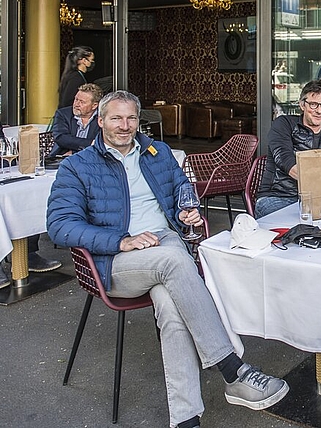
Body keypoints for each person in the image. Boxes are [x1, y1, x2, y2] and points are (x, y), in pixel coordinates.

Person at [46, 91, 289, 428]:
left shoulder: (157, 152)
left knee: (172, 307)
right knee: (176, 263)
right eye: (116, 118)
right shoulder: (78, 166)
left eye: (131, 118)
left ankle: (185, 419)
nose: (124, 125)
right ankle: (233, 369)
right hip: (116, 260)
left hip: (166, 243)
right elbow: (60, 226)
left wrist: (186, 210)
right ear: (100, 121)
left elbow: (180, 190)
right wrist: (122, 240)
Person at [255, 79, 321, 218]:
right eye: (313, 105)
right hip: (279, 198)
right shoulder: (284, 125)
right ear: (302, 105)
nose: (319, 110)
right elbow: (288, 163)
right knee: (313, 222)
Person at [49, 83, 103, 156]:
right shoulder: (63, 114)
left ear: (94, 106)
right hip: (62, 157)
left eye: (82, 102)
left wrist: (75, 153)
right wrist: (90, 143)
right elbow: (60, 138)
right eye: (76, 99)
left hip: (92, 158)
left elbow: (102, 144)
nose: (76, 104)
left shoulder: (103, 118)